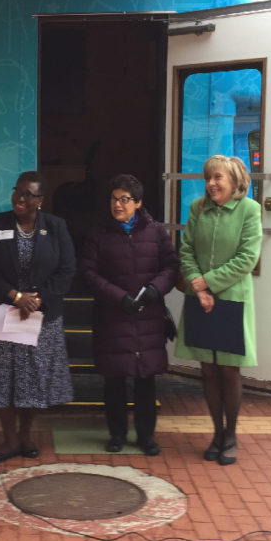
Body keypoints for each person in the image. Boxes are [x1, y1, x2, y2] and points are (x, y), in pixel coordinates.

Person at [0, 171, 75, 463]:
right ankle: (8, 440)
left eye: (29, 194)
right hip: (1, 311)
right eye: (18, 191)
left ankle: (25, 437)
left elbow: (67, 269)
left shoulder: (56, 227)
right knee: (3, 377)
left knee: (33, 376)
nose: (21, 198)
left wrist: (38, 298)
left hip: (39, 316)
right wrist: (15, 296)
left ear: (40, 200)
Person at [79, 174, 178, 455]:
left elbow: (171, 266)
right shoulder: (99, 232)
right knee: (115, 379)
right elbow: (88, 272)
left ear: (138, 203)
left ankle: (146, 436)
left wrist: (154, 290)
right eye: (114, 199)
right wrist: (118, 297)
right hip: (113, 314)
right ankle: (117, 434)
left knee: (146, 380)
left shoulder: (156, 231)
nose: (118, 205)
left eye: (125, 199)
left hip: (148, 315)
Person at [175, 155, 262, 466]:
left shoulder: (250, 210)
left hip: (231, 299)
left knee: (229, 370)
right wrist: (197, 285)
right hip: (200, 298)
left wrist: (206, 284)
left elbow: (247, 258)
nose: (210, 184)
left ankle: (231, 435)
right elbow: (186, 250)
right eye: (208, 178)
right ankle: (215, 433)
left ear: (235, 182)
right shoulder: (198, 207)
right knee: (208, 371)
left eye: (217, 178)